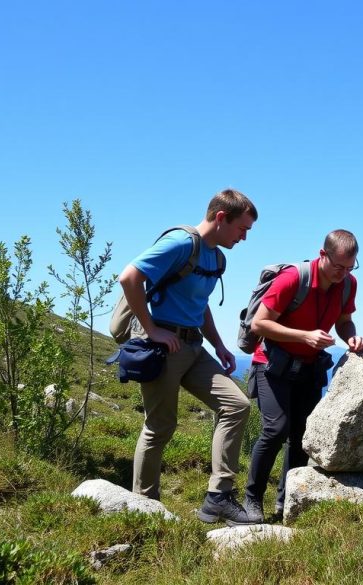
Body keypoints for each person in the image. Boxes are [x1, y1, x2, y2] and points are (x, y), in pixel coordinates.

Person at [118, 189, 260, 525]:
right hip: (163, 347)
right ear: (221, 218)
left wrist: (220, 345)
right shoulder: (182, 243)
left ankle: (218, 497)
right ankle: (145, 506)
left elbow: (200, 303)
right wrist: (153, 329)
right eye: (242, 229)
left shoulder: (215, 257)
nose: (244, 238)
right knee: (160, 426)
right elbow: (130, 277)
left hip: (194, 347)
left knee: (237, 405)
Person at [244, 229, 363, 522]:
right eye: (338, 266)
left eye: (350, 267)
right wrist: (305, 336)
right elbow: (259, 324)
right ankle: (251, 499)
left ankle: (287, 501)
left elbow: (344, 321)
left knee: (301, 436)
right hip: (272, 365)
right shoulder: (293, 279)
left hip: (309, 368)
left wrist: (352, 337)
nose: (343, 273)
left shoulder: (348, 284)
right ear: (322, 255)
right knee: (276, 429)